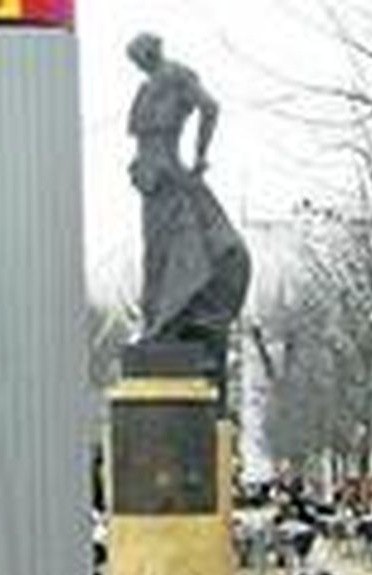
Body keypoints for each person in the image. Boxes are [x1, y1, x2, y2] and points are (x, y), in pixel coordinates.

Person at [126, 33, 252, 354]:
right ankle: (157, 323)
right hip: (149, 180)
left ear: (152, 51)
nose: (139, 63)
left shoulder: (178, 76)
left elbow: (210, 108)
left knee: (180, 249)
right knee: (156, 253)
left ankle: (166, 323)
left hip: (169, 176)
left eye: (140, 56)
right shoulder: (146, 87)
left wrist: (200, 155)